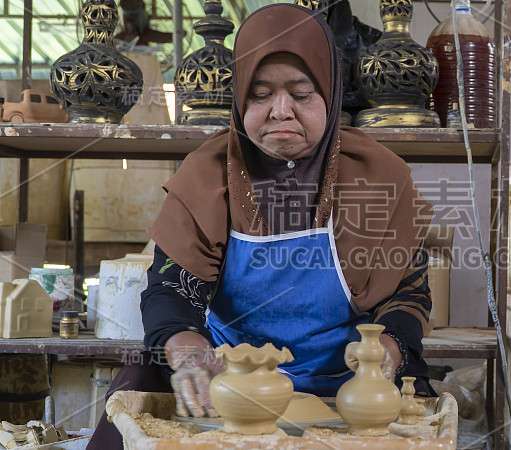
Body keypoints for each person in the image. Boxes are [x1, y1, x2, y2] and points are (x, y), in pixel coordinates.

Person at [87, 4, 434, 447]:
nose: (280, 110)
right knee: (134, 393)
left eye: (302, 93)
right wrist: (188, 352)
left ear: (331, 94)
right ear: (239, 98)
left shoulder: (379, 176)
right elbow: (169, 290)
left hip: (346, 382)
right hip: (226, 383)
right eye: (260, 93)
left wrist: (386, 351)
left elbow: (410, 293)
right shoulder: (207, 174)